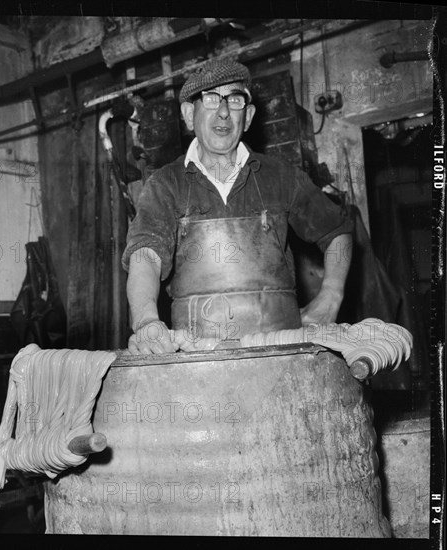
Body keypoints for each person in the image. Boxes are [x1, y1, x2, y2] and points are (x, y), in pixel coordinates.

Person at [122, 58, 352, 355]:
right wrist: (146, 321)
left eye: (235, 100)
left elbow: (338, 231)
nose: (223, 112)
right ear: (189, 114)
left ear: (249, 116)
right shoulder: (165, 185)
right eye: (211, 98)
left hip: (282, 354)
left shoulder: (281, 177)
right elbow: (146, 256)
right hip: (197, 359)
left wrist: (331, 296)